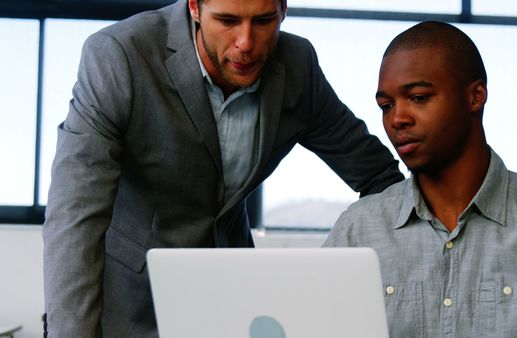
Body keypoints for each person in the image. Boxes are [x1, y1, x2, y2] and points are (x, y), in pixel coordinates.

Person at [42, 0, 404, 336]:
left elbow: (377, 176)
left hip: (236, 305)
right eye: (228, 21)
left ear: (283, 10)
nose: (246, 42)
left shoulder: (297, 65)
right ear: (195, 7)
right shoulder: (120, 55)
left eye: (263, 21)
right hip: (130, 303)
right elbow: (76, 213)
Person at [324, 21, 517, 337]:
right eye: (386, 105)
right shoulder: (358, 229)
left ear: (476, 96)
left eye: (418, 97)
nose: (397, 119)